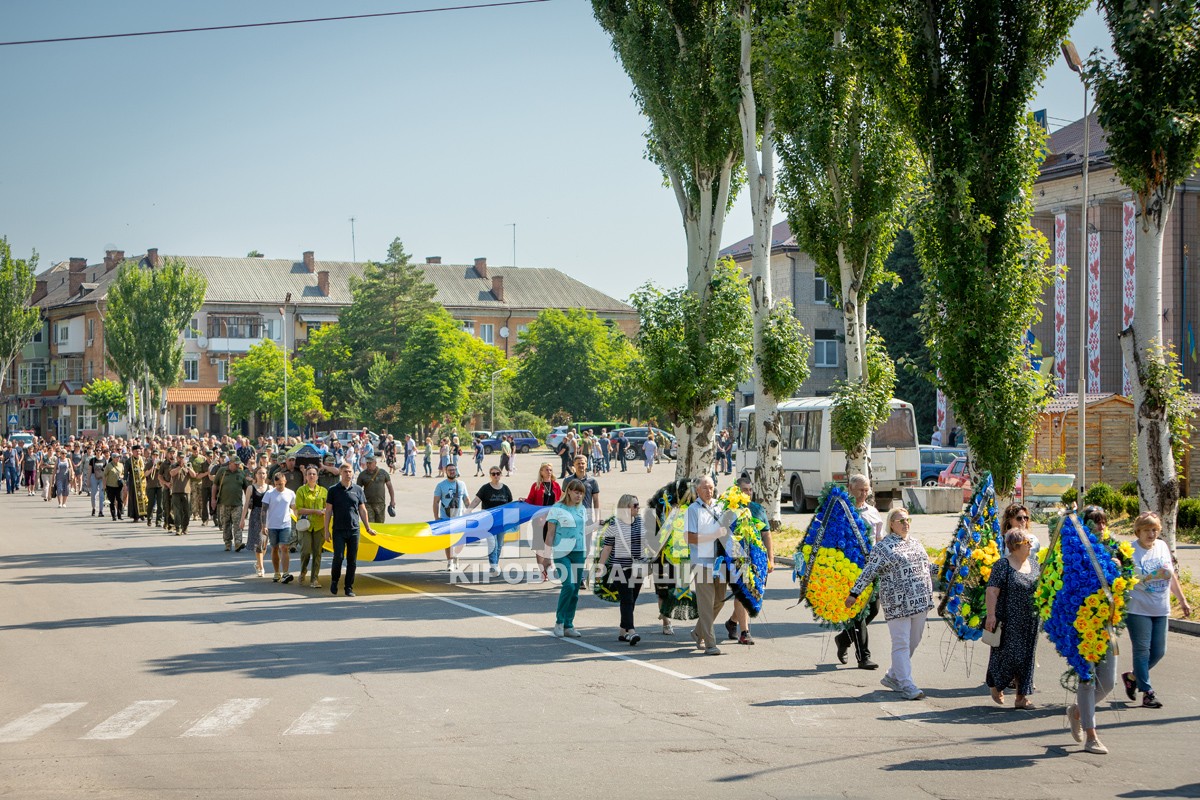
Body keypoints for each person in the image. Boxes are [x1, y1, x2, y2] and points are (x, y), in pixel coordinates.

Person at [846, 508, 934, 701]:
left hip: (920, 601)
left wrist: (948, 569)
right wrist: (854, 593)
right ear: (891, 524)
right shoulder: (883, 547)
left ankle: (893, 676)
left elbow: (926, 567)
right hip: (897, 603)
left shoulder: (916, 543)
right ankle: (907, 684)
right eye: (901, 520)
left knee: (914, 641)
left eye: (907, 519)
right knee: (901, 643)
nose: (906, 523)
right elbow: (869, 572)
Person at [1121, 511, 1192, 709]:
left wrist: (1182, 600)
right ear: (1138, 532)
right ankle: (1148, 693)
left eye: (1155, 530)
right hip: (1138, 608)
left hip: (1161, 607)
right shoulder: (1129, 550)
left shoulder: (1161, 546)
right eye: (1146, 530)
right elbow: (1125, 579)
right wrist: (1150, 576)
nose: (1151, 534)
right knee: (1142, 651)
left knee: (1159, 651)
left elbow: (1171, 576)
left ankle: (1132, 677)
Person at [1068, 506, 1119, 754]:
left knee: (1108, 682)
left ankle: (1078, 711)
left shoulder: (1114, 549)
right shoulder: (1074, 551)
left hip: (1107, 624)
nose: (1100, 527)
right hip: (1081, 625)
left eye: (1103, 522)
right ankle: (1091, 736)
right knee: (1087, 679)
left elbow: (1126, 582)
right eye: (1095, 522)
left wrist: (1120, 568)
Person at [984, 528, 1041, 709]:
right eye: (1027, 542)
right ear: (1016, 546)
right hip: (1008, 619)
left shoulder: (1035, 563)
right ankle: (996, 684)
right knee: (1008, 656)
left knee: (1027, 657)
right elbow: (992, 591)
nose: (1031, 545)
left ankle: (1021, 697)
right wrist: (991, 615)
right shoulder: (1003, 565)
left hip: (1030, 620)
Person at [834, 475, 884, 669]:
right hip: (850, 568)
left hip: (872, 567)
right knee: (858, 612)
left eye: (866, 490)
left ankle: (844, 639)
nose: (863, 493)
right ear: (850, 489)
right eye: (860, 489)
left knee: (873, 609)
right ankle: (863, 657)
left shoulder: (873, 512)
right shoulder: (842, 511)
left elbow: (880, 538)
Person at [723, 475, 772, 646]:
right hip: (737, 557)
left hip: (757, 558)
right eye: (745, 490)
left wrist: (770, 559)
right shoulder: (729, 511)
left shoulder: (758, 509)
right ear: (737, 491)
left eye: (751, 490)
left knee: (754, 594)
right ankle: (745, 632)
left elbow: (766, 534)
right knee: (742, 592)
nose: (749, 493)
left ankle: (732, 622)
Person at [539, 477, 589, 638]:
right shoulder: (557, 508)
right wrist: (546, 556)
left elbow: (583, 530)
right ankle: (559, 622)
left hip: (579, 552)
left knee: (575, 590)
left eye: (581, 493)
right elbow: (550, 533)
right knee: (568, 586)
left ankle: (569, 624)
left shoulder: (581, 509)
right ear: (568, 491)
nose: (579, 496)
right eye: (576, 492)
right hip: (562, 552)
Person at [687, 474, 727, 655]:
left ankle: (698, 632)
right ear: (697, 490)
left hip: (720, 562)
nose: (709, 491)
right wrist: (714, 535)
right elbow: (690, 537)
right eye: (705, 487)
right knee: (705, 603)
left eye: (711, 487)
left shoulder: (721, 506)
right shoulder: (693, 510)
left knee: (720, 600)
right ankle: (710, 644)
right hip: (702, 563)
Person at [597, 494, 645, 645]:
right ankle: (631, 631)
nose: (638, 508)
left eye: (638, 505)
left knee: (632, 599)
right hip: (619, 567)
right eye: (635, 505)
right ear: (626, 507)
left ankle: (622, 631)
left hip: (638, 567)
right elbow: (607, 548)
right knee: (627, 599)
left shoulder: (640, 522)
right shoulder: (614, 525)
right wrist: (600, 568)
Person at [325, 462, 376, 597]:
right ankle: (335, 581)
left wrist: (368, 527)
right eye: (345, 471)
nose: (348, 474)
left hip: (354, 530)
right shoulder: (333, 490)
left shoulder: (358, 490)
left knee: (352, 560)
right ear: (340, 473)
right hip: (339, 530)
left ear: (353, 473)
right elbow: (328, 511)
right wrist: (326, 531)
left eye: (350, 471)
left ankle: (348, 587)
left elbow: (362, 510)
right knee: (338, 557)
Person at [467, 467, 513, 574]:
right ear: (490, 475)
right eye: (493, 474)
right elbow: (476, 501)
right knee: (493, 543)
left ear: (501, 474)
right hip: (488, 521)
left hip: (502, 521)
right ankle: (493, 565)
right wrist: (468, 512)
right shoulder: (485, 488)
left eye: (498, 473)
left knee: (499, 544)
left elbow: (510, 505)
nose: (496, 476)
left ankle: (495, 564)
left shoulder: (505, 488)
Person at [296, 466, 330, 588]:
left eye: (314, 474)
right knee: (305, 551)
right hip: (306, 526)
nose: (311, 476)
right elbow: (299, 509)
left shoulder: (323, 491)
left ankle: (314, 579)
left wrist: (325, 511)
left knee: (317, 552)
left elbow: (328, 507)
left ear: (317, 476)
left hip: (319, 525)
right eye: (309, 474)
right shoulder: (301, 490)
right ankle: (303, 570)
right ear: (305, 476)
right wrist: (316, 511)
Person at [262, 471, 297, 583]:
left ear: (285, 481)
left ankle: (285, 573)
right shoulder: (269, 493)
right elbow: (263, 511)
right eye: (277, 484)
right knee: (275, 548)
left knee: (284, 547)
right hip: (272, 525)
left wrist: (299, 521)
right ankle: (277, 572)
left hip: (285, 524)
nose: (279, 486)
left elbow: (294, 508)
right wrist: (264, 525)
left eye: (281, 484)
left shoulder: (290, 493)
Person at [433, 462, 469, 570]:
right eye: (450, 470)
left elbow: (466, 500)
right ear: (446, 472)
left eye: (454, 470)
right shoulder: (441, 485)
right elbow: (436, 502)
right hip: (445, 517)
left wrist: (471, 514)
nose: (452, 472)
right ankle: (450, 561)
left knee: (460, 541)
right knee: (447, 541)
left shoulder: (462, 484)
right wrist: (436, 518)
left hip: (459, 518)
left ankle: (456, 557)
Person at [212, 455, 249, 552]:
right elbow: (215, 485)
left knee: (238, 524)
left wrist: (248, 501)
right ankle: (228, 543)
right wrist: (213, 499)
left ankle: (238, 543)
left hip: (237, 504)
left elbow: (246, 488)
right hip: (224, 503)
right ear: (230, 463)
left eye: (238, 464)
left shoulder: (241, 473)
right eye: (235, 464)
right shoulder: (222, 471)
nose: (237, 466)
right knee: (226, 524)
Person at [240, 466, 270, 577]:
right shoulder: (251, 488)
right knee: (258, 543)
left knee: (265, 544)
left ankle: (258, 563)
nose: (261, 475)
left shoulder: (270, 488)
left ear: (266, 475)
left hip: (267, 516)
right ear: (255, 475)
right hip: (255, 516)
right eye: (259, 473)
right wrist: (242, 519)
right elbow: (246, 504)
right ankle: (261, 568)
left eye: (263, 473)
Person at [356, 455, 394, 524]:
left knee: (380, 524)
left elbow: (390, 487)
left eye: (370, 463)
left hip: (380, 504)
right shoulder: (362, 475)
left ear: (375, 463)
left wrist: (392, 500)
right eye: (367, 463)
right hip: (367, 504)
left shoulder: (383, 473)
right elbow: (357, 490)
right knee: (371, 524)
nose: (368, 465)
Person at [124, 444, 147, 523]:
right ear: (132, 452)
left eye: (139, 451)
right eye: (136, 451)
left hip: (143, 482)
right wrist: (125, 483)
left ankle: (143, 514)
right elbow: (126, 473)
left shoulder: (142, 459)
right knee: (134, 499)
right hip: (133, 483)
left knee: (143, 498)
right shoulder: (128, 461)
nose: (138, 453)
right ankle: (135, 516)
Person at [103, 455, 124, 519]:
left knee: (120, 500)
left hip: (119, 486)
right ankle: (113, 515)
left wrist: (122, 477)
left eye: (119, 457)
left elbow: (123, 473)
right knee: (111, 501)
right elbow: (104, 475)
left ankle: (119, 514)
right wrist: (104, 485)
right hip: (110, 486)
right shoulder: (108, 465)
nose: (118, 458)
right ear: (113, 458)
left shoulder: (121, 465)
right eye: (116, 457)